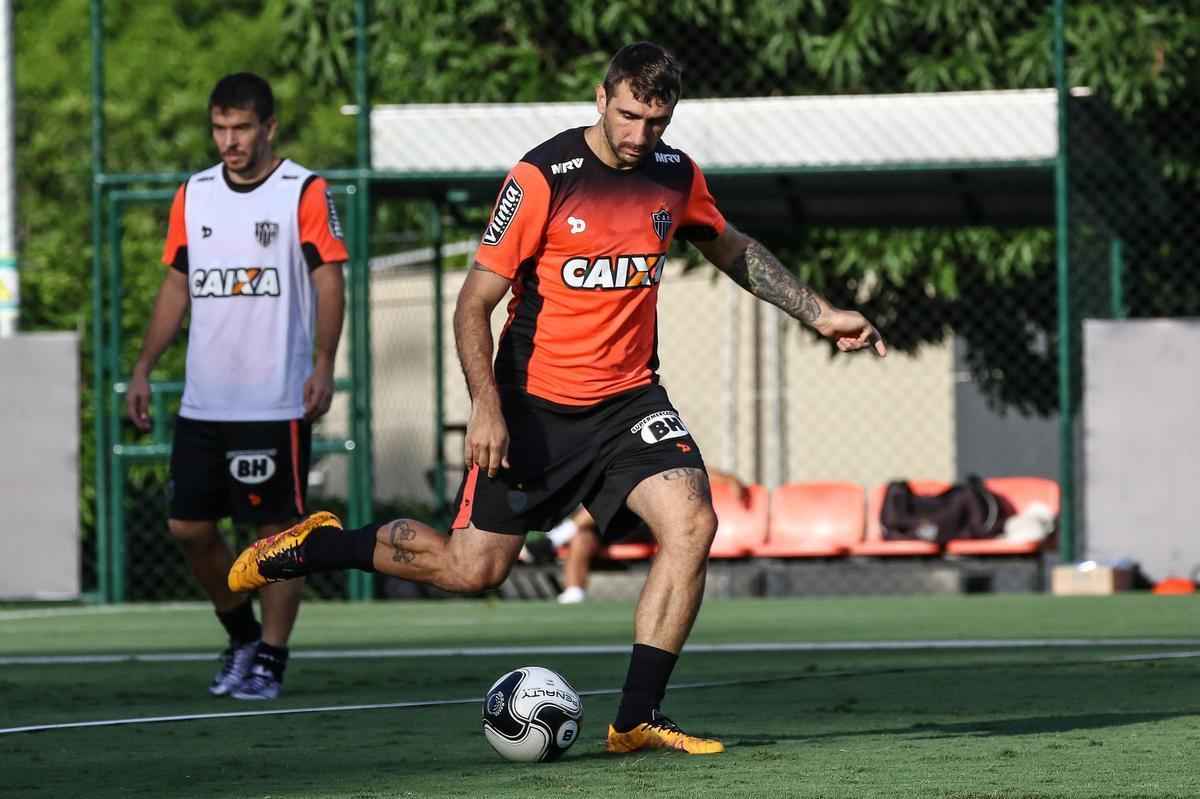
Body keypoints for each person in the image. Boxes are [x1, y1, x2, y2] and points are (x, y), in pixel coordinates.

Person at [228, 42, 885, 749]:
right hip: (532, 407)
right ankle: (322, 544)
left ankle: (636, 717)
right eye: (628, 115)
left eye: (656, 122)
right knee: (471, 569)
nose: (639, 135)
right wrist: (486, 405)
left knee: (693, 523)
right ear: (601, 98)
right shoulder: (543, 177)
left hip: (630, 403)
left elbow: (728, 246)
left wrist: (820, 313)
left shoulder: (673, 174)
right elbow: (473, 303)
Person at [127, 73, 347, 700]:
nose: (230, 141)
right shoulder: (194, 194)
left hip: (274, 399)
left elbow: (329, 279)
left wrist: (324, 361)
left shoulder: (302, 190)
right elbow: (177, 283)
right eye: (220, 129)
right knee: (188, 528)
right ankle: (242, 635)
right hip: (204, 401)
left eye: (242, 128)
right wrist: (143, 367)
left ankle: (271, 658)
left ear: (268, 128)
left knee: (275, 535)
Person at [554, 468, 750, 604]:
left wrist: (729, 479)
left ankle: (557, 537)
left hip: (642, 524)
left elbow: (695, 470)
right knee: (581, 536)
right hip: (604, 526)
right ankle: (574, 592)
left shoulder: (654, 458)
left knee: (622, 488)